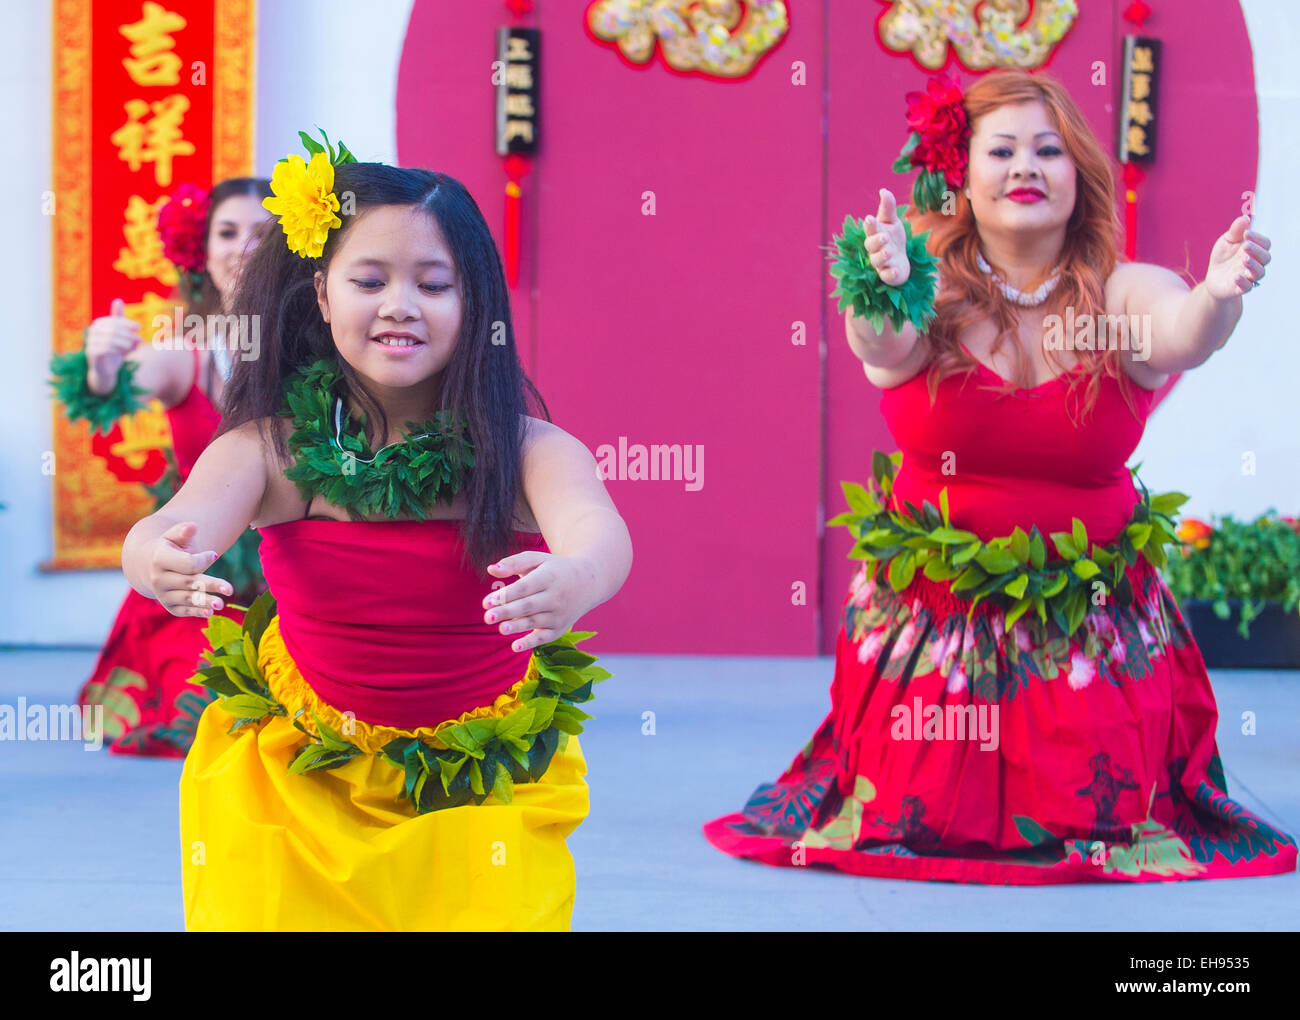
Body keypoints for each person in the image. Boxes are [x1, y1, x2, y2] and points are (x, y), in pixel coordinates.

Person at [704, 70, 1297, 883]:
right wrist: (883, 286)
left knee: (1095, 816)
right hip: (934, 633)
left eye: (1048, 150)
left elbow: (1183, 332)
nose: (1026, 166)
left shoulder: (1121, 292)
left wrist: (1221, 297)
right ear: (964, 177)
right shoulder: (932, 289)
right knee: (919, 816)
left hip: (1088, 627)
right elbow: (881, 342)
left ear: (1079, 175)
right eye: (1004, 149)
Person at [120, 140, 633, 930]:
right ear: (322, 295)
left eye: (433, 284)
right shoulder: (272, 448)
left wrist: (579, 577)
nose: (401, 304)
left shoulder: (527, 448)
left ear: (475, 305)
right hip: (298, 777)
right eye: (370, 280)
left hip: (478, 786)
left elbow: (598, 530)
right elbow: (172, 521)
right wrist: (153, 555)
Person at [51, 177, 272, 757]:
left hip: (293, 563)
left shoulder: (323, 346)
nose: (243, 245)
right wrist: (103, 364)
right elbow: (115, 385)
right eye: (226, 232)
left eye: (262, 232)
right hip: (199, 569)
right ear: (199, 251)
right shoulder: (187, 353)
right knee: (201, 715)